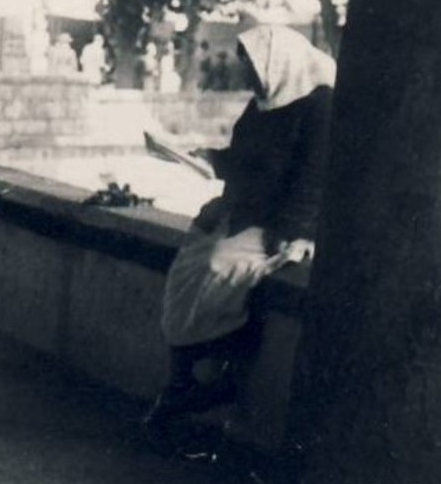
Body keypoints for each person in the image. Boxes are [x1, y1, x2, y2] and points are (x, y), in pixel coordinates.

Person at [142, 24, 333, 451]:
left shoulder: (319, 107)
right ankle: (184, 380)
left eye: (252, 66)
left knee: (218, 266)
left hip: (280, 221)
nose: (247, 74)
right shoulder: (262, 103)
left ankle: (207, 380)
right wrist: (199, 155)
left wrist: (295, 233)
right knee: (190, 262)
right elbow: (243, 160)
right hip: (245, 208)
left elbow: (313, 179)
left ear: (277, 63)